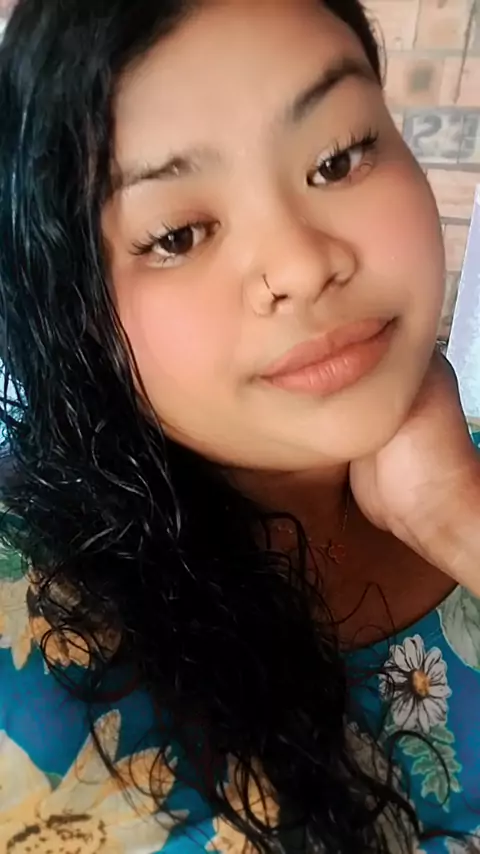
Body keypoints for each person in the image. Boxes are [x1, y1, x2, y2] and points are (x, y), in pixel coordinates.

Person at [0, 1, 478, 852]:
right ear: (71, 303)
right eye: (179, 234)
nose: (303, 263)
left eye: (338, 157)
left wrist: (456, 517)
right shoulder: (20, 624)